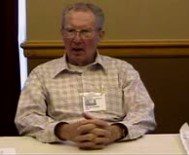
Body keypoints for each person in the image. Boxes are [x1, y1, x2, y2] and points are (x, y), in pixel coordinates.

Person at [15, 2, 156, 150]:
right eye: (70, 31)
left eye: (85, 32)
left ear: (100, 35)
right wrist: (64, 131)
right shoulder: (41, 74)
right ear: (62, 33)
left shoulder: (123, 70)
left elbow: (144, 113)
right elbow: (26, 117)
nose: (76, 39)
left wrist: (115, 131)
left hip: (115, 146)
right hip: (64, 147)